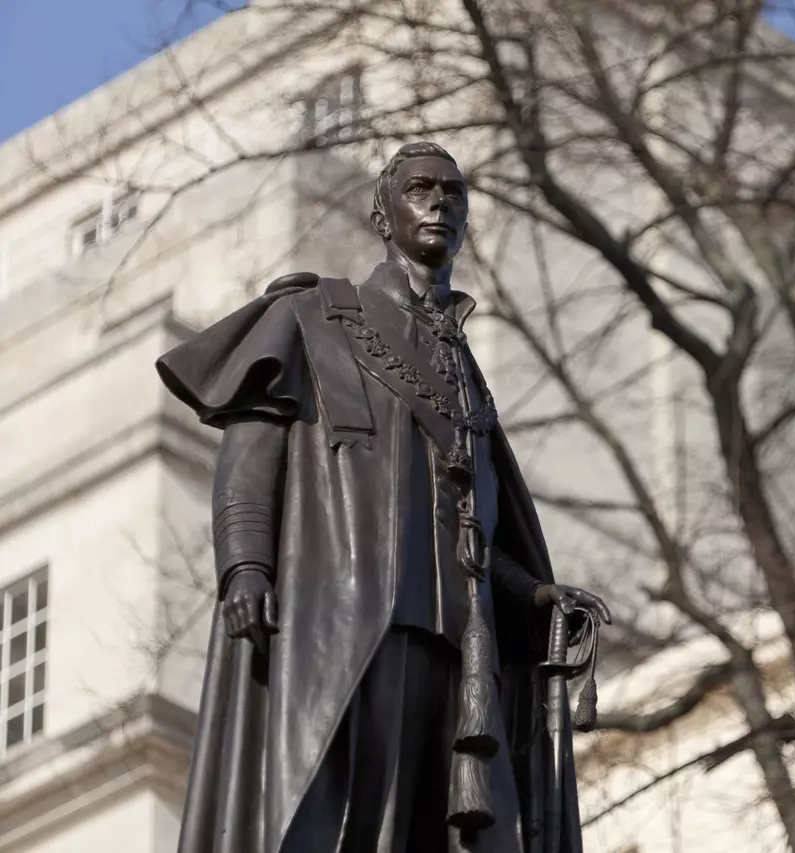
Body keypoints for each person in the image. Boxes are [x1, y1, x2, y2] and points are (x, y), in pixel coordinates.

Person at [157, 140, 609, 853]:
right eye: (421, 188)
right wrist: (245, 565)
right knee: (342, 829)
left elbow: (481, 535)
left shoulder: (469, 379)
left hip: (461, 655)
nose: (439, 202)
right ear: (383, 212)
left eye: (454, 193)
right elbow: (250, 452)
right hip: (348, 628)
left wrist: (535, 596)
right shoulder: (316, 315)